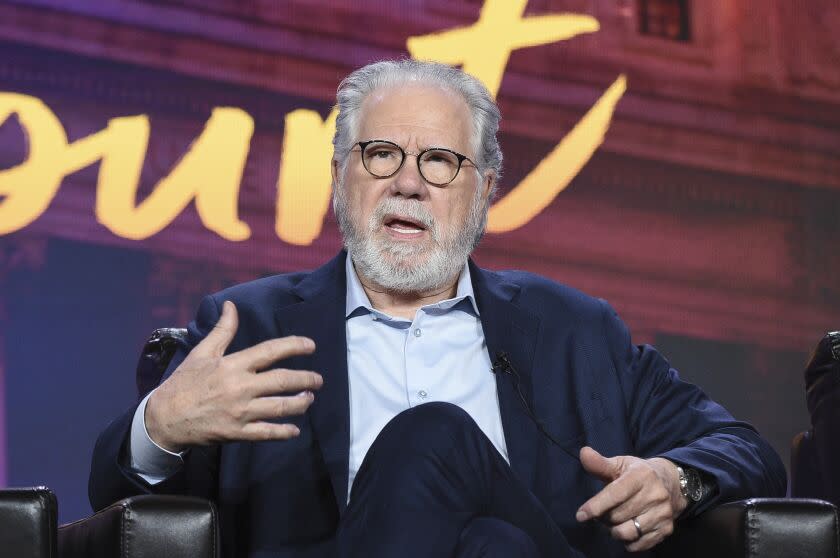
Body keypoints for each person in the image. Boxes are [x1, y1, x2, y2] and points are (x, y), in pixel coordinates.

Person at [89, 59, 786, 558]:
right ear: (338, 179)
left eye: (441, 162)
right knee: (489, 541)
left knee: (436, 437)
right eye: (381, 154)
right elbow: (112, 499)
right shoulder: (251, 327)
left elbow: (748, 452)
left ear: (482, 191)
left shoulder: (573, 330)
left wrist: (677, 479)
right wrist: (162, 425)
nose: (409, 184)